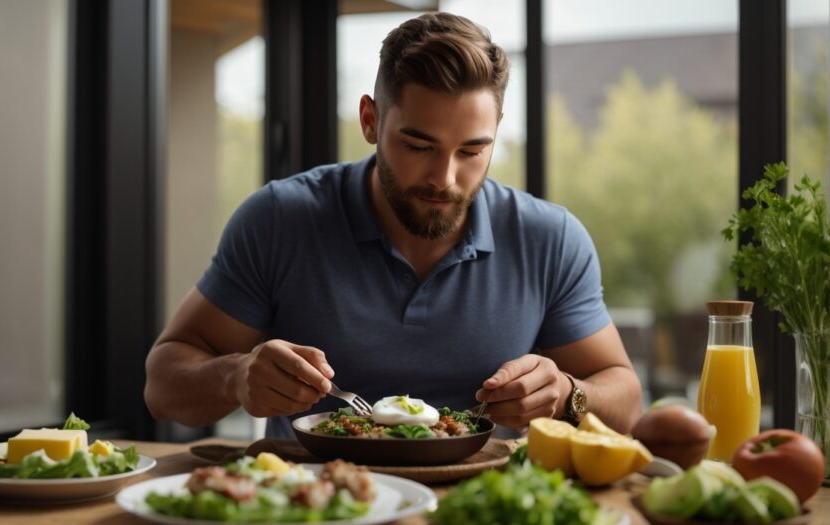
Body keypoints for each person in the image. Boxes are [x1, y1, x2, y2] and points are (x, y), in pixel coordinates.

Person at [144, 12, 641, 438]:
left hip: (480, 521)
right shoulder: (280, 219)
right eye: (419, 146)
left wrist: (569, 395)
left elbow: (624, 396)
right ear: (369, 120)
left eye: (471, 150)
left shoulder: (549, 239)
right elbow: (162, 386)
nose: (444, 179)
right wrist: (235, 377)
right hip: (317, 513)